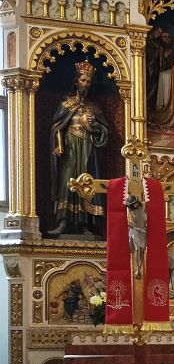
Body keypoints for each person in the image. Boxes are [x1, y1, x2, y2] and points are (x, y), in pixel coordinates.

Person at [50, 61, 110, 235]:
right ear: (76, 81)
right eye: (83, 80)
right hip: (69, 147)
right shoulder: (66, 103)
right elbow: (56, 126)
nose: (86, 84)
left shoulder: (94, 107)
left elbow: (105, 131)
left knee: (86, 181)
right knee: (67, 180)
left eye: (88, 81)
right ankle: (63, 222)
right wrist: (59, 143)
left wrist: (91, 127)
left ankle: (85, 224)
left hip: (87, 147)